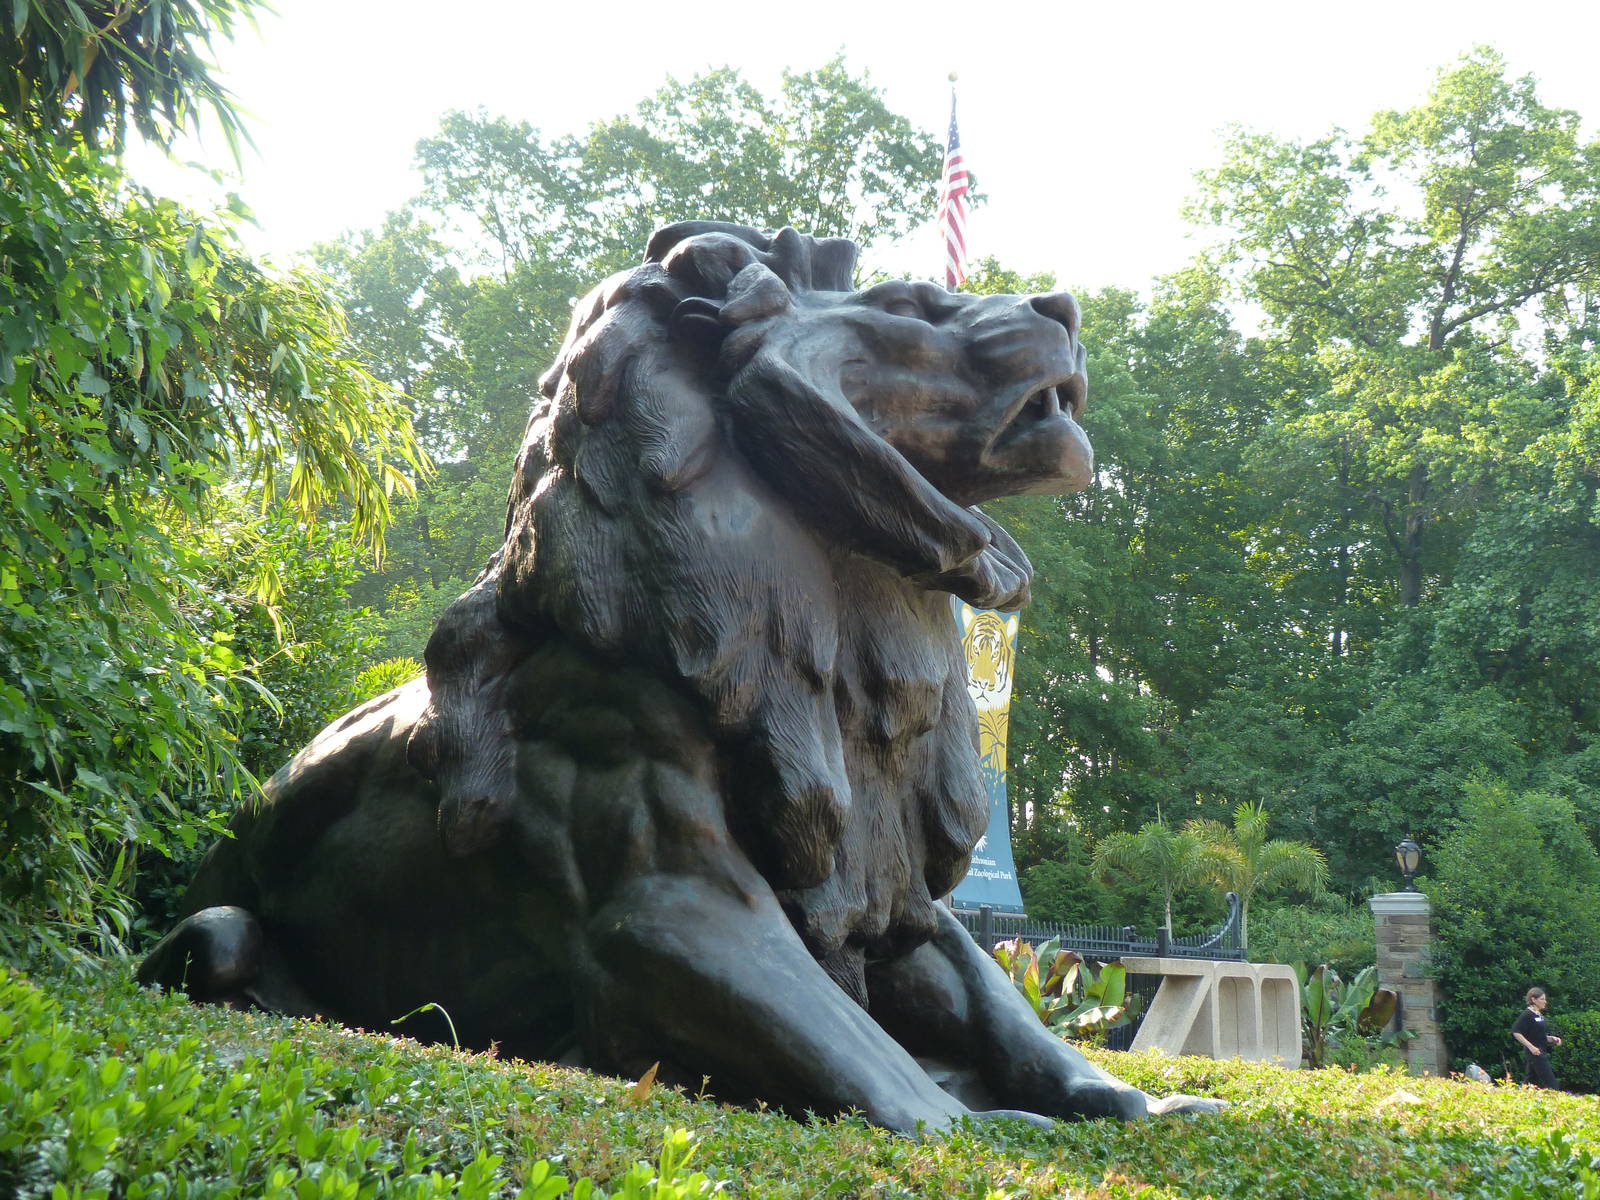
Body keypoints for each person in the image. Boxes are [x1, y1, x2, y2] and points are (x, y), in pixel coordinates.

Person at [1511, 986, 1563, 1089]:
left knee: (1531, 1081)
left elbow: (1537, 1035)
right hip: (1535, 1052)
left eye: (1545, 999)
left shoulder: (1538, 1015)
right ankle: (1557, 1099)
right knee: (1550, 1081)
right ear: (1533, 999)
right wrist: (1531, 1047)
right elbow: (1516, 1032)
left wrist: (1552, 1038)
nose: (1545, 1002)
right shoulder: (1527, 1015)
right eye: (1542, 999)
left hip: (1541, 1049)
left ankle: (1520, 1099)